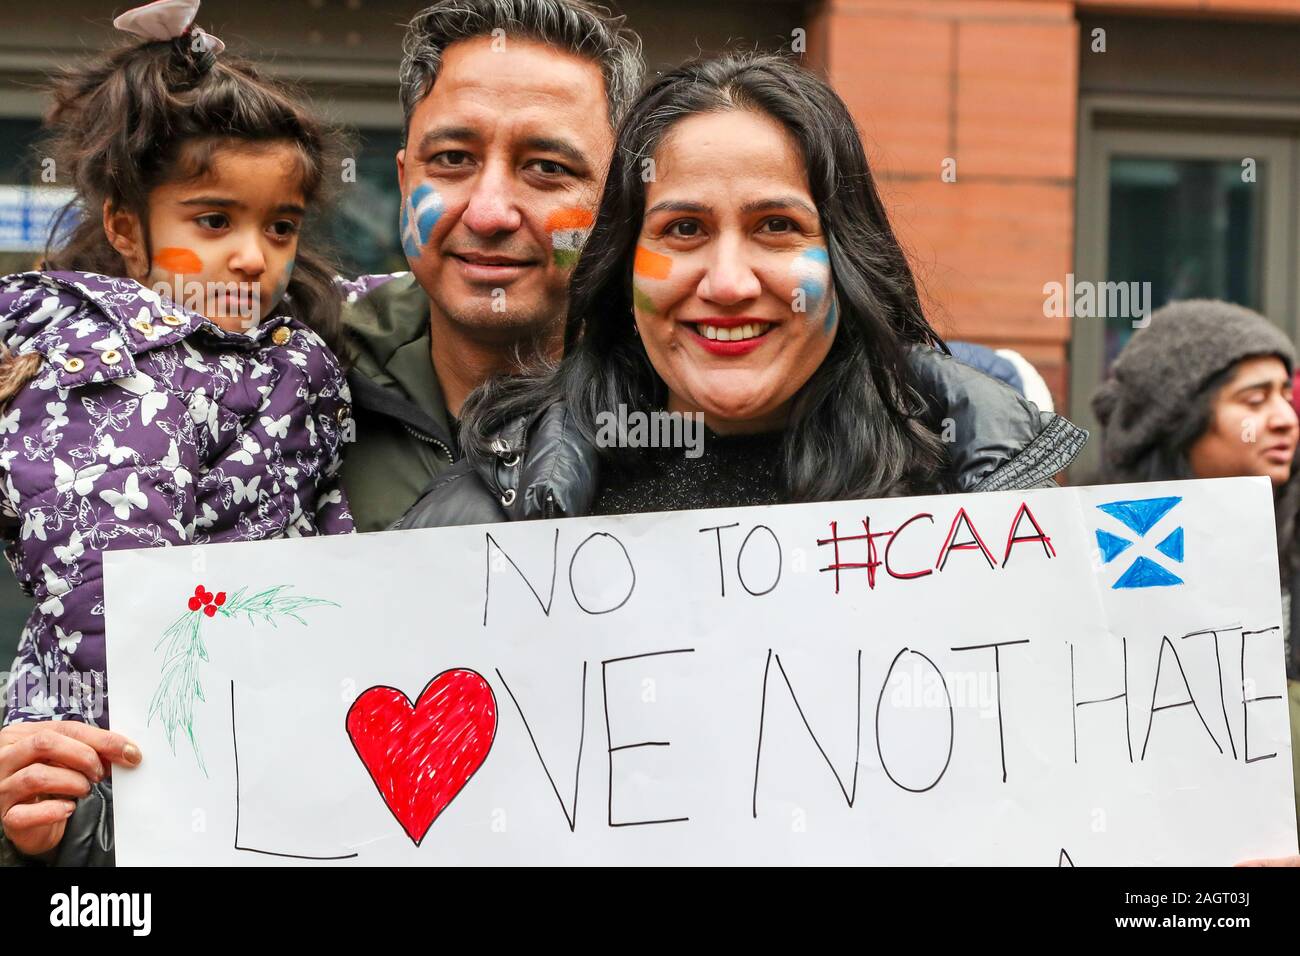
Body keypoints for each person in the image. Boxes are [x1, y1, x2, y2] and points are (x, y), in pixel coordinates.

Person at [398, 52, 1088, 531]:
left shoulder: (988, 494)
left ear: (846, 259)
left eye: (778, 226)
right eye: (685, 228)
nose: (728, 283)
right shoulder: (488, 512)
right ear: (624, 266)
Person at [0, 0, 354, 865]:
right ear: (127, 228)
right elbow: (106, 586)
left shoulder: (273, 351)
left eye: (280, 226)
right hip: (108, 746)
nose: (251, 255)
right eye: (212, 221)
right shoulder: (105, 368)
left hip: (245, 732)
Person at [337, 0, 643, 530]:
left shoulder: (677, 403)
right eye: (453, 159)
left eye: (547, 168)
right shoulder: (289, 378)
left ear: (616, 200)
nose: (488, 213)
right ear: (405, 180)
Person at [1091, 299, 1300, 863]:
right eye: (1254, 400)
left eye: (1285, 392)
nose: (1283, 417)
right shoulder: (1096, 557)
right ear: (1176, 421)